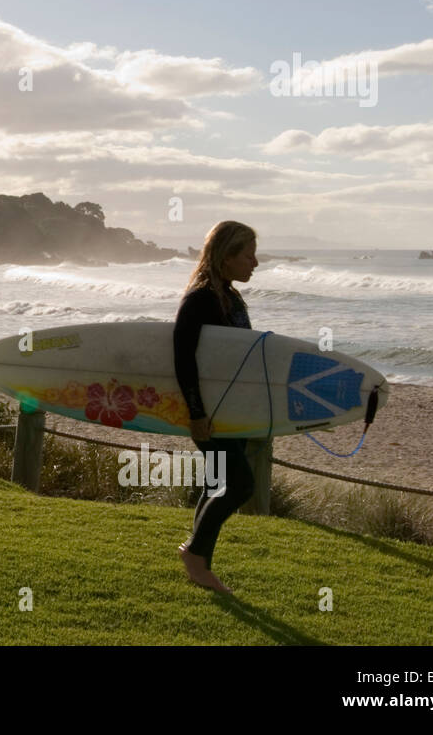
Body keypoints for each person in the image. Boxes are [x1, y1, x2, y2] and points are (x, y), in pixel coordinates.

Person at [173, 221, 259, 593]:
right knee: (240, 484)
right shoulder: (202, 298)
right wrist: (196, 413)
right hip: (208, 412)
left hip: (229, 410)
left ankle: (199, 560)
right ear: (227, 256)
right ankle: (195, 554)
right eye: (248, 254)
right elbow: (182, 357)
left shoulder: (228, 295)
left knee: (218, 481)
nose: (255, 262)